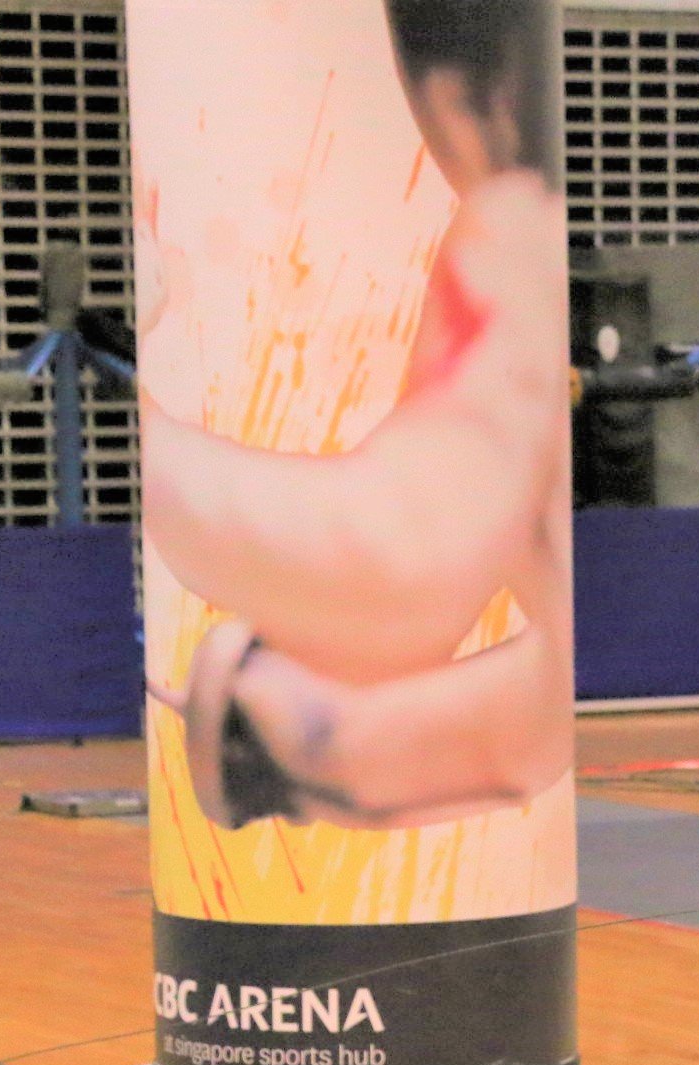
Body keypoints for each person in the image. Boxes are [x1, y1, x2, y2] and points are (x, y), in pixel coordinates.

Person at [143, 0, 575, 830]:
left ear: (456, 98)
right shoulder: (534, 240)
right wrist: (315, 735)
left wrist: (147, 448)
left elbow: (400, 557)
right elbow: (539, 707)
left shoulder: (514, 230)